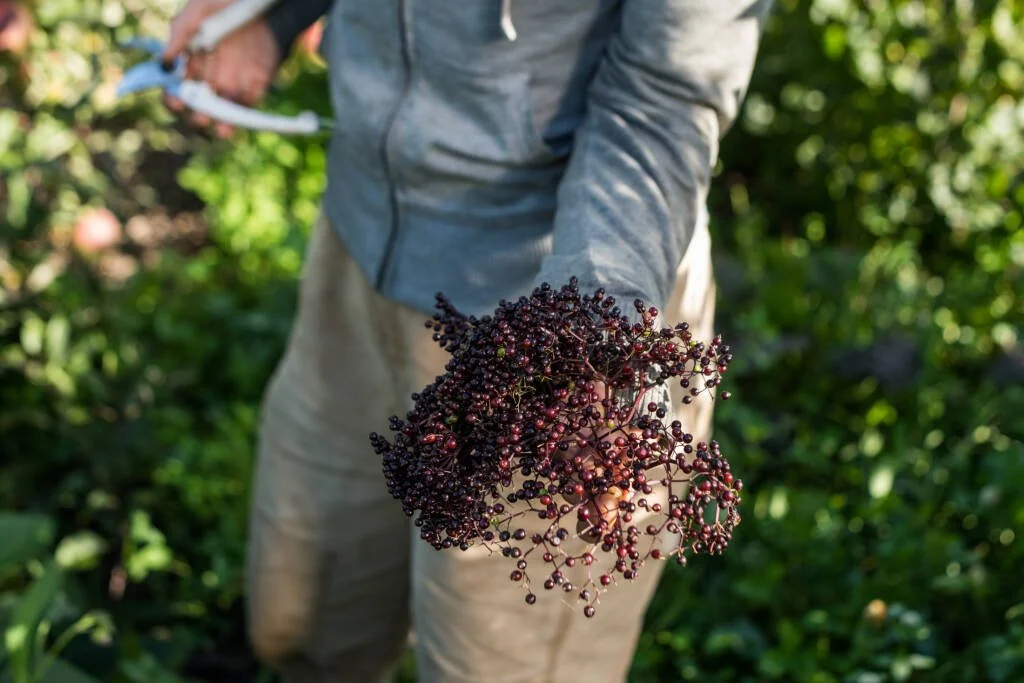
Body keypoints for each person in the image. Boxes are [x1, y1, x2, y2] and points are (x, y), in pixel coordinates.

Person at [164, 1, 771, 681]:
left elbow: (664, 97)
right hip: (357, 257)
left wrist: (589, 334)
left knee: (498, 663)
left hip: (545, 336)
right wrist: (273, 15)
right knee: (301, 623)